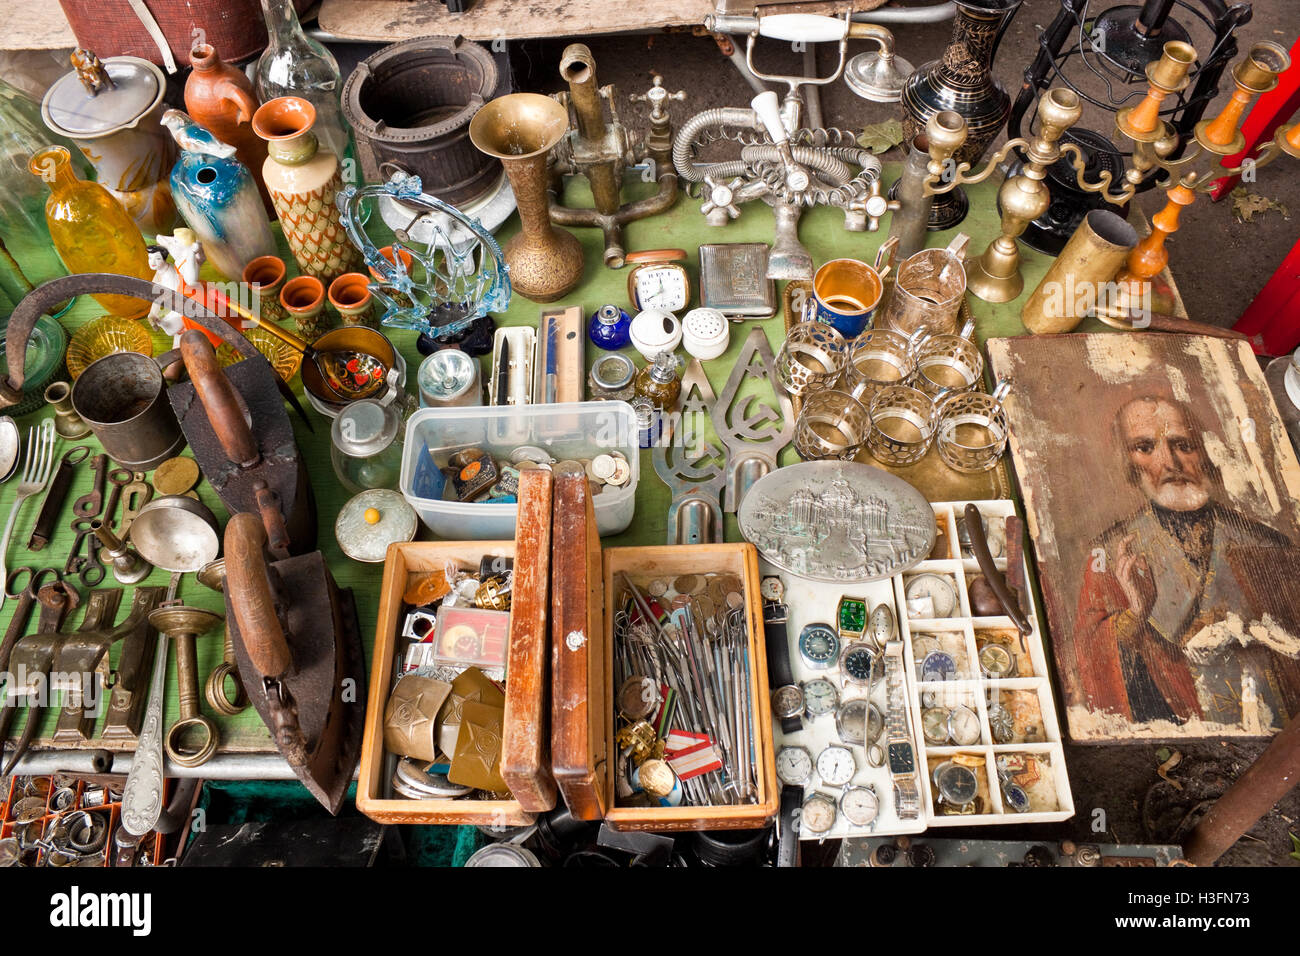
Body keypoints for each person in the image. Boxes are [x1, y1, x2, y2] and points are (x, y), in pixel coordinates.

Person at [1072, 395, 1300, 731]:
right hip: (1178, 727)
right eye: (1145, 447)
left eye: (1183, 445)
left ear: (1204, 454)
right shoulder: (1108, 554)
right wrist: (1136, 615)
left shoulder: (1268, 546)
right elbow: (1092, 665)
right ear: (1128, 465)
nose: (1169, 462)